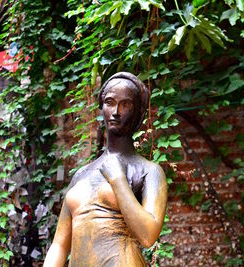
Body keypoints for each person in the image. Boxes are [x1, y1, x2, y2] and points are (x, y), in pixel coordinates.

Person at [43, 72, 168, 266]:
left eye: (125, 104)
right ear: (101, 106)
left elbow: (148, 235)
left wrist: (118, 180)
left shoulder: (148, 171)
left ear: (138, 113)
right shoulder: (81, 174)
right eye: (110, 102)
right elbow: (59, 244)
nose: (116, 111)